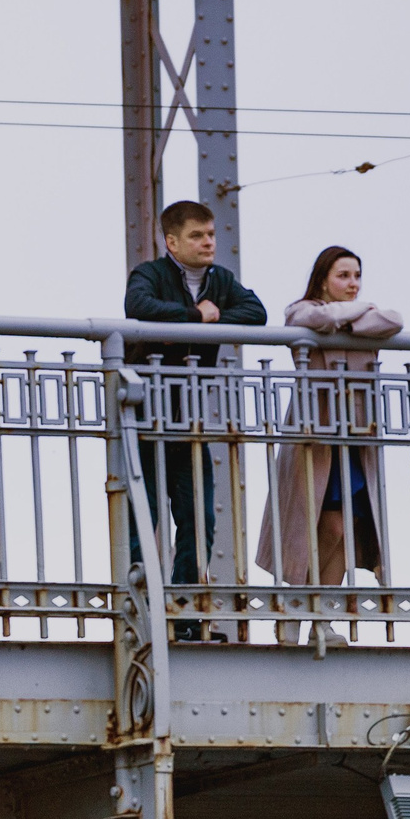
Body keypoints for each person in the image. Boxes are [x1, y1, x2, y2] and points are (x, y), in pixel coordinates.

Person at [122, 202, 267, 630]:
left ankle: (182, 612)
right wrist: (193, 317)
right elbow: (139, 307)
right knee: (143, 514)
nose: (208, 243)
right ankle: (143, 609)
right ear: (172, 242)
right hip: (145, 416)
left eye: (210, 235)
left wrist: (210, 316)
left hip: (188, 419)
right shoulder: (149, 274)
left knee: (198, 514)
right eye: (197, 237)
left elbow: (256, 313)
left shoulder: (220, 281)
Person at [259, 246, 402, 617]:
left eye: (357, 276)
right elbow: (302, 319)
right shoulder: (302, 309)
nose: (352, 284)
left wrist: (343, 319)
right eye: (343, 276)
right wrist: (348, 316)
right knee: (324, 527)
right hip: (316, 436)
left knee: (347, 526)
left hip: (355, 438)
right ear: (323, 279)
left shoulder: (356, 316)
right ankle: (299, 610)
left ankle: (320, 617)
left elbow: (392, 320)